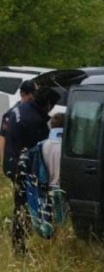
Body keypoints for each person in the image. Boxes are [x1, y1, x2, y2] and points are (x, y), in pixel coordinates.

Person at [2, 87, 60, 251]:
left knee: (21, 203)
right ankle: (19, 245)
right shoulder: (34, 121)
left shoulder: (22, 108)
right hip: (21, 167)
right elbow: (40, 149)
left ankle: (21, 239)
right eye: (52, 104)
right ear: (47, 103)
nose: (52, 108)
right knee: (25, 205)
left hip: (11, 161)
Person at [0, 80, 35, 167]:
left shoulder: (34, 111)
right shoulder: (12, 113)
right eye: (31, 95)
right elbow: (2, 137)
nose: (33, 98)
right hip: (15, 156)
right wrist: (2, 161)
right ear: (22, 94)